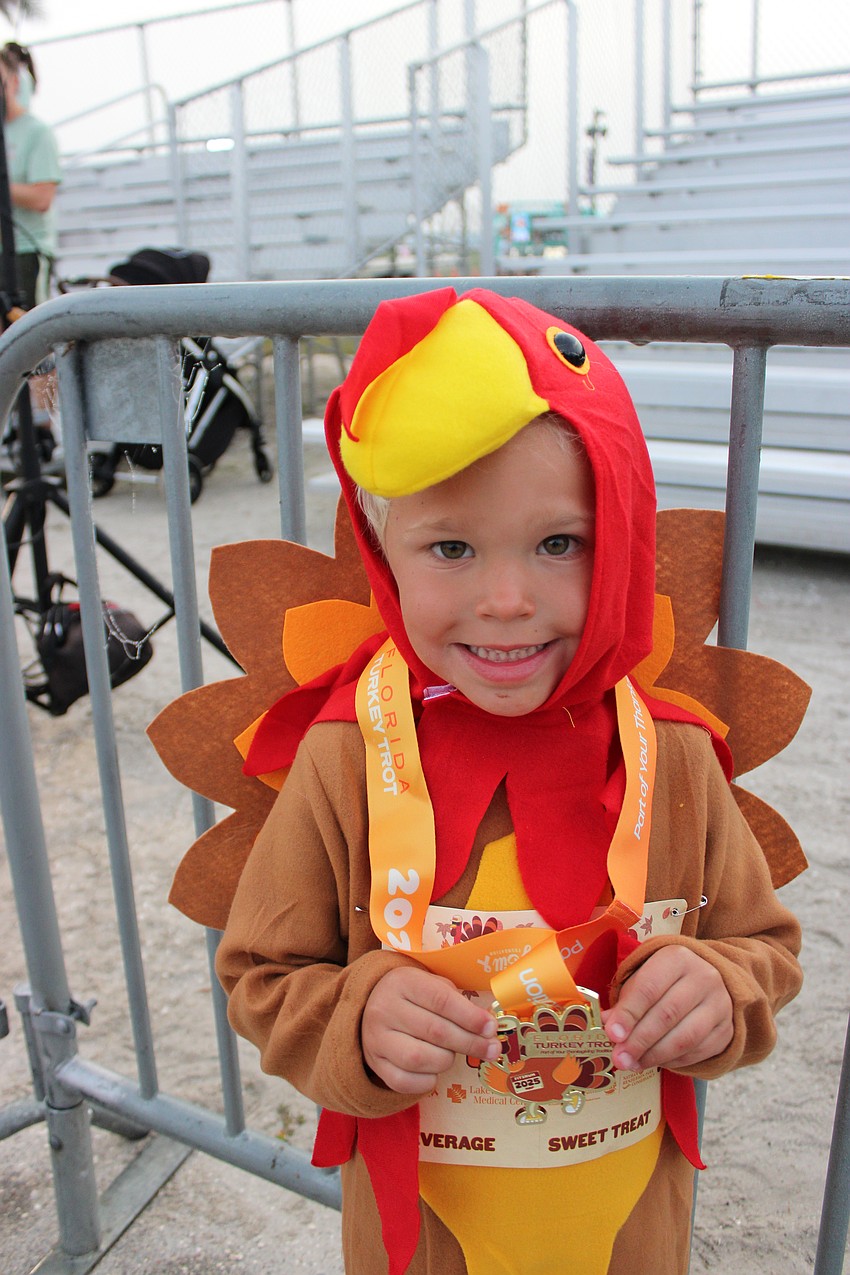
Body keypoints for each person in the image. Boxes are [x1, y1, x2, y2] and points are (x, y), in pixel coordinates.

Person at [214, 288, 803, 1275]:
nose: (505, 601)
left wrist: (720, 987)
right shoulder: (347, 753)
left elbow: (763, 948)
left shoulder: (676, 753)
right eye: (449, 547)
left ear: (621, 542)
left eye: (559, 544)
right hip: (422, 1234)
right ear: (384, 559)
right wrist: (351, 1018)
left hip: (627, 1223)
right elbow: (260, 975)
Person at [0, 41, 60, 313]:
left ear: (13, 82)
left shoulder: (37, 132)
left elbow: (41, 197)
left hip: (26, 253)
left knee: (26, 339)